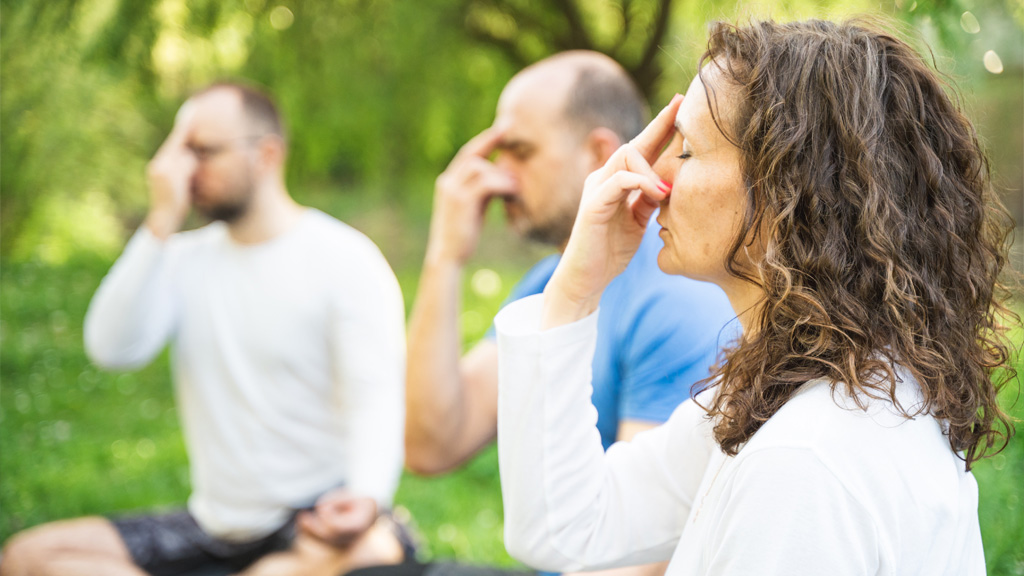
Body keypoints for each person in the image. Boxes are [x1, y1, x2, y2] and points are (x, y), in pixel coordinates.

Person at [495, 18, 1015, 576]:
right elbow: (565, 528)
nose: (652, 174)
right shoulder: (799, 397)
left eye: (688, 151)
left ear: (787, 192)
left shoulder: (803, 458)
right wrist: (575, 288)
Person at [2, 83, 409, 576]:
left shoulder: (344, 259)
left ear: (267, 155)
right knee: (27, 558)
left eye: (202, 151)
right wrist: (160, 221)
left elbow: (375, 399)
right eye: (176, 151)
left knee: (371, 554)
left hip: (315, 523)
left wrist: (367, 495)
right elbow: (112, 348)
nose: (180, 170)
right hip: (212, 526)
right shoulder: (181, 259)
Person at [402, 51, 735, 576]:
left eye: (518, 152)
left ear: (599, 152)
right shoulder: (552, 283)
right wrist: (444, 257)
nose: (498, 178)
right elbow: (431, 444)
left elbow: (635, 563)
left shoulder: (676, 297)